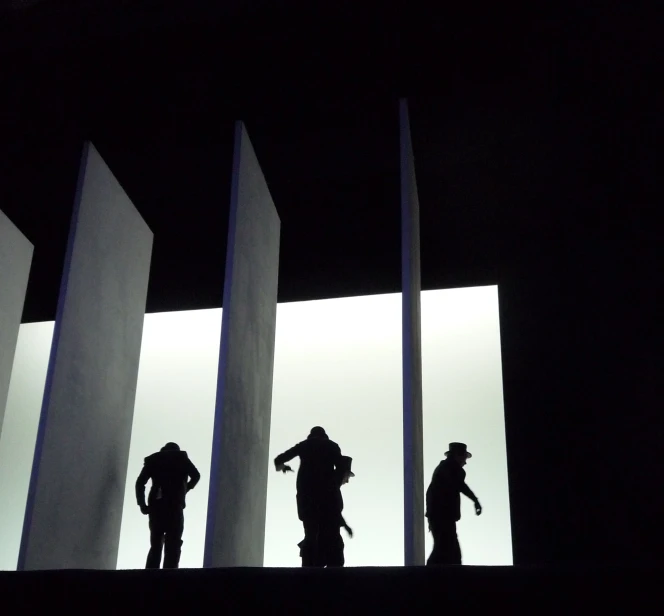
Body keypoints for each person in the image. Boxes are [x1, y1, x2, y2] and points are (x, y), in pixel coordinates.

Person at [274, 426, 352, 567]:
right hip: (328, 496)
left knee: (310, 533)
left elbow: (279, 460)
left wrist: (283, 468)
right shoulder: (332, 446)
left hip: (306, 496)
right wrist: (335, 484)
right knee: (332, 535)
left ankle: (309, 569)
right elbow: (341, 468)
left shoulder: (304, 446)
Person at [135, 442, 201, 569]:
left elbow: (140, 483)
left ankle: (150, 573)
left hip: (156, 505)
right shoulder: (181, 458)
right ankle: (170, 573)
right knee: (174, 542)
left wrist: (142, 504)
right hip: (175, 504)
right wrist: (185, 489)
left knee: (156, 542)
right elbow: (196, 476)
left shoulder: (153, 460)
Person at [425, 442, 482, 566]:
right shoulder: (453, 469)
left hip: (438, 516)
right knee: (448, 550)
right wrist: (475, 500)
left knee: (445, 549)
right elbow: (460, 485)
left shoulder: (442, 469)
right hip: (443, 516)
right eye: (464, 458)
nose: (465, 462)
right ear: (458, 455)